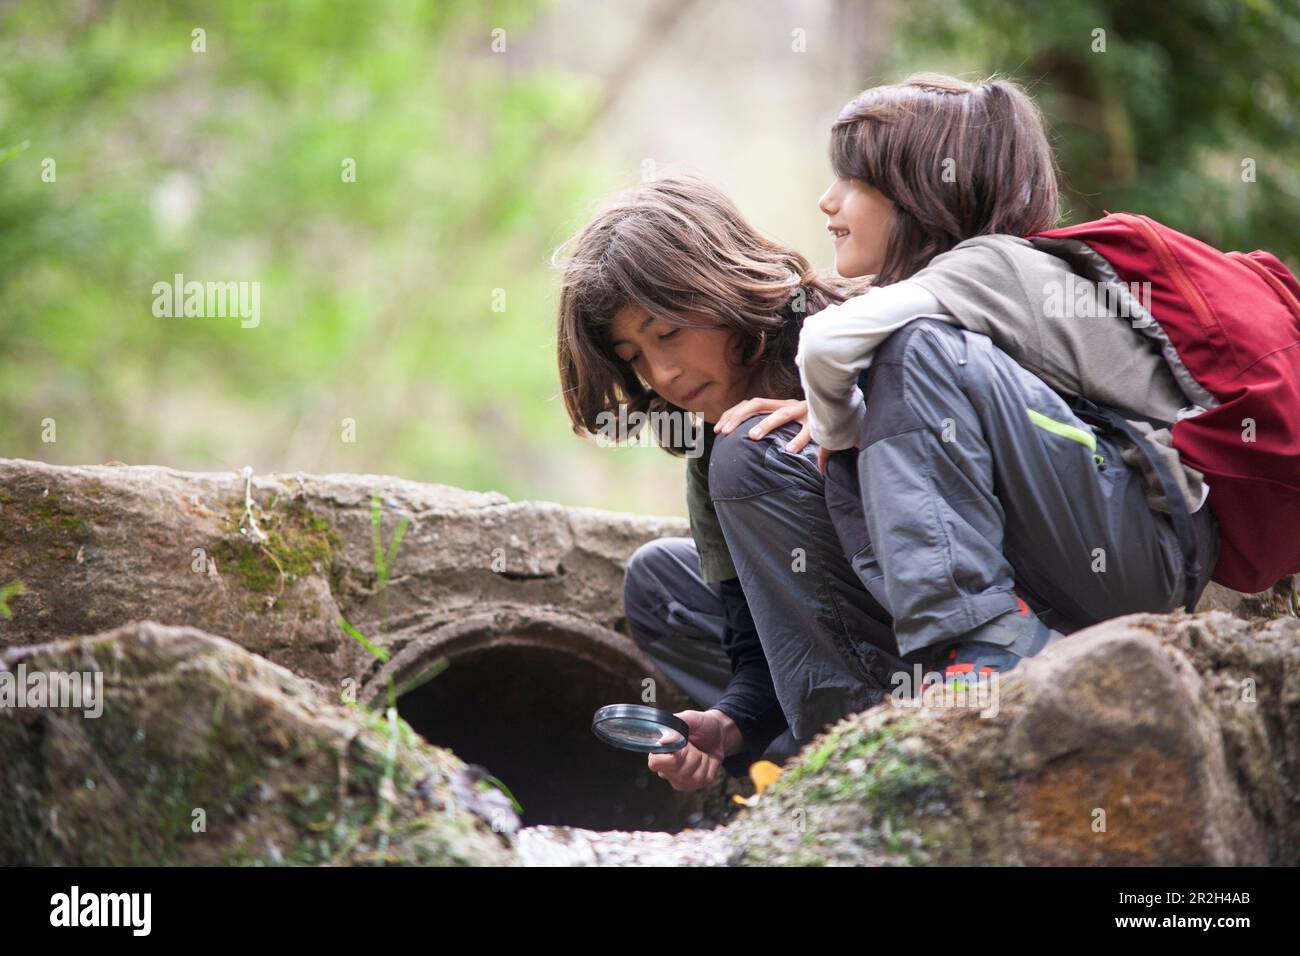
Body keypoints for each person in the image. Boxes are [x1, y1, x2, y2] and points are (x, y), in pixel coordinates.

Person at [795, 73, 1219, 680]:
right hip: (1093, 551)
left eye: (853, 180)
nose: (827, 200)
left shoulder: (993, 265)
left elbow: (824, 342)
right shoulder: (966, 288)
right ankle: (990, 643)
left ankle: (984, 642)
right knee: (880, 406)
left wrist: (834, 428)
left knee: (912, 355)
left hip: (1150, 549)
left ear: (920, 193)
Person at [555, 175, 921, 792]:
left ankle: (859, 772)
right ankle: (786, 753)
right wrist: (730, 725)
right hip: (844, 650)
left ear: (719, 286)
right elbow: (754, 640)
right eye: (634, 355)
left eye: (667, 333)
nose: (662, 373)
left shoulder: (863, 329)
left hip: (948, 635)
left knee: (748, 455)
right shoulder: (712, 436)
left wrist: (846, 414)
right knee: (657, 583)